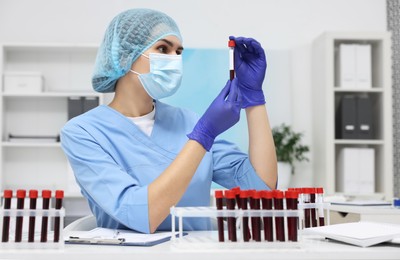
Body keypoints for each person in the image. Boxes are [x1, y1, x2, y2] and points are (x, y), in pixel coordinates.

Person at [60, 8, 277, 234]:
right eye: (163, 49)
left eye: (178, 52)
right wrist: (203, 136)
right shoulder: (83, 132)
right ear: (125, 56)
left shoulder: (189, 122)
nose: (174, 60)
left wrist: (253, 98)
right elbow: (141, 216)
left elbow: (263, 188)